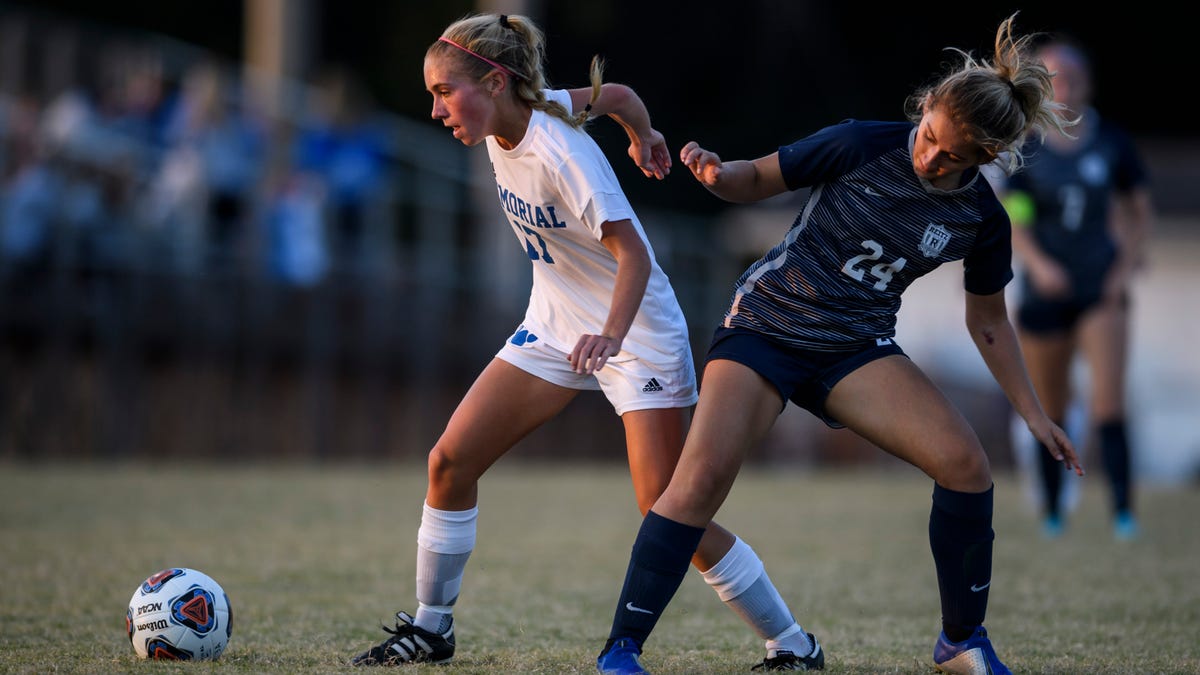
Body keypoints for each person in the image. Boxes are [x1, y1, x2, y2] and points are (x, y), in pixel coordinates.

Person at [594, 13, 1083, 675]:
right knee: (696, 482)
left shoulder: (981, 218)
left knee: (967, 466)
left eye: (954, 156)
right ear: (927, 106)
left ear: (986, 158)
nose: (931, 156)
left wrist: (1033, 413)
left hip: (854, 347)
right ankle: (620, 651)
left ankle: (961, 642)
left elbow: (990, 320)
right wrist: (717, 173)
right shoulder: (861, 143)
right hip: (766, 327)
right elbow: (759, 178)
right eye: (932, 135)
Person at [351, 13, 819, 670]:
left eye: (443, 91)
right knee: (449, 462)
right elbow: (619, 94)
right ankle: (432, 628)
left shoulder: (560, 151)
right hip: (557, 323)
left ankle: (792, 642)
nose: (434, 109)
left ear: (492, 80)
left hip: (637, 333)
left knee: (668, 513)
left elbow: (633, 256)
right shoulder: (522, 105)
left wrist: (610, 333)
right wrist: (644, 133)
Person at [995, 37, 1153, 542]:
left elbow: (1137, 211)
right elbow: (1015, 217)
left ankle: (1123, 514)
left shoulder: (1112, 142)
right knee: (1051, 407)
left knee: (1109, 402)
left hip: (1099, 289)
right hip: (1046, 292)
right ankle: (1054, 514)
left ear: (1087, 82)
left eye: (1073, 75)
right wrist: (1038, 265)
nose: (1065, 84)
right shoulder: (1029, 146)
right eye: (1055, 75)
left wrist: (1122, 269)